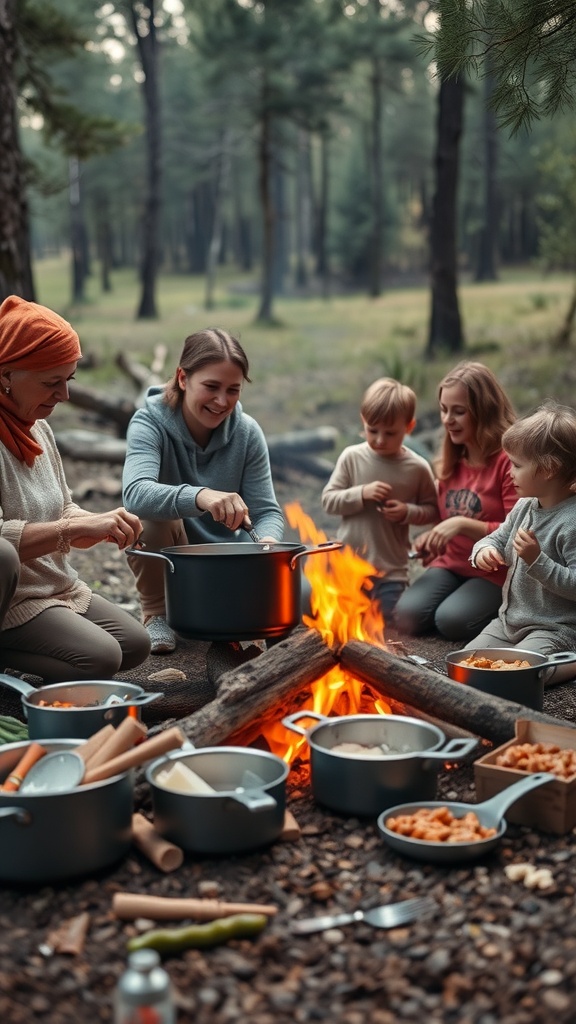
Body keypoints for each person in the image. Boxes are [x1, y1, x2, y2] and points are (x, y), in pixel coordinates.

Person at [0, 295, 151, 682]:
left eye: (69, 380)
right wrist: (72, 531)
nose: (65, 396)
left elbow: (63, 508)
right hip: (11, 599)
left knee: (135, 644)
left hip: (51, 589)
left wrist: (100, 522)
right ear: (5, 375)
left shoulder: (39, 428)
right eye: (52, 382)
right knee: (100, 658)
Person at [123, 327, 285, 653]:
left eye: (233, 390)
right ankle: (157, 613)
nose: (222, 401)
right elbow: (135, 493)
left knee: (306, 598)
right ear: (183, 378)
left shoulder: (247, 433)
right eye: (211, 386)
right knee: (151, 517)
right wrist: (200, 496)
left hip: (229, 564)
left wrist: (267, 544)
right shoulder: (149, 422)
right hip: (175, 566)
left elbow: (267, 511)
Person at [393, 361, 517, 642]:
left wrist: (460, 524)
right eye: (444, 409)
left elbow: (516, 532)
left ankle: (510, 611)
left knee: (451, 621)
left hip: (493, 572)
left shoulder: (509, 462)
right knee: (406, 616)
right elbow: (444, 518)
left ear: (483, 411)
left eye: (458, 412)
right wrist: (432, 541)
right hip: (451, 564)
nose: (448, 419)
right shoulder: (452, 460)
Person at [321, 377, 438, 618]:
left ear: (409, 427)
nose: (380, 440)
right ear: (363, 422)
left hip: (391, 571)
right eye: (372, 431)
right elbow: (329, 501)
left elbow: (433, 510)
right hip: (350, 565)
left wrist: (407, 512)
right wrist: (361, 493)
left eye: (391, 433)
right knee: (343, 619)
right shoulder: (351, 457)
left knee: (385, 620)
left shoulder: (417, 467)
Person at [467, 401, 576, 656]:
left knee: (518, 672)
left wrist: (536, 560)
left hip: (555, 629)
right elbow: (497, 538)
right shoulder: (524, 506)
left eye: (517, 465)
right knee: (466, 664)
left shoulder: (571, 522)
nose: (509, 472)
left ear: (549, 469)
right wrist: (483, 551)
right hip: (509, 624)